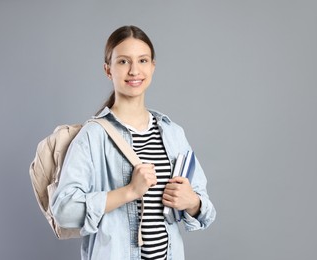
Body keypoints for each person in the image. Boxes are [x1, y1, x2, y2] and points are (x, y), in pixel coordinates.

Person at [51, 25, 216, 260]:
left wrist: (192, 202)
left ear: (153, 66)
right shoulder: (93, 136)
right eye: (123, 62)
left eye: (143, 60)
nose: (134, 70)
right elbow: (64, 211)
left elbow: (206, 212)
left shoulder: (173, 133)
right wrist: (129, 192)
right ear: (108, 70)